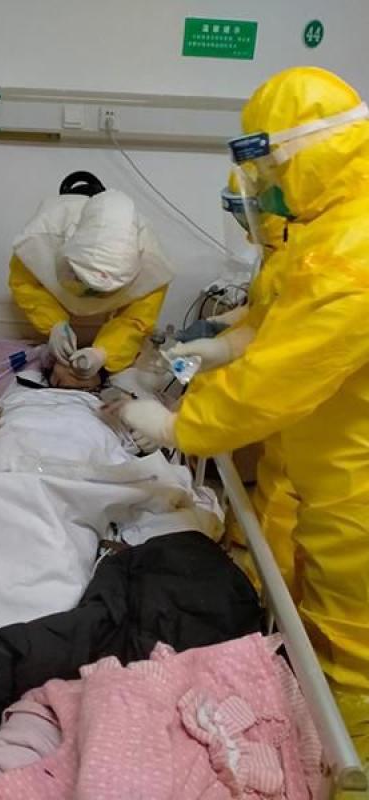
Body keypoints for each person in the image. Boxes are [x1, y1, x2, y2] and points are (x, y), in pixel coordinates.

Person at [112, 66, 369, 760]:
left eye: (270, 167)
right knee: (317, 606)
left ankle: (349, 762)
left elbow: (284, 371)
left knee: (354, 647)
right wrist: (223, 347)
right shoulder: (328, 232)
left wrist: (184, 427)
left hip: (356, 482)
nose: (265, 189)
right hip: (330, 464)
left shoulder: (352, 248)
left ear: (303, 154)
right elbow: (278, 324)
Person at [175, 188, 299, 590]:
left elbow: (284, 335)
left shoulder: (314, 250)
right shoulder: (278, 249)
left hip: (321, 410)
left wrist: (179, 423)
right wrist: (222, 328)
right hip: (294, 414)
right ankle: (251, 572)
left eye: (247, 213)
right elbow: (263, 309)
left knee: (291, 499)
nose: (246, 227)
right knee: (275, 484)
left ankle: (264, 591)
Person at [9, 172, 173, 378]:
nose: (90, 296)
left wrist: (103, 353)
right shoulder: (40, 237)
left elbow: (136, 319)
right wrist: (53, 323)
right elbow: (26, 285)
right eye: (82, 279)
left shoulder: (153, 265)